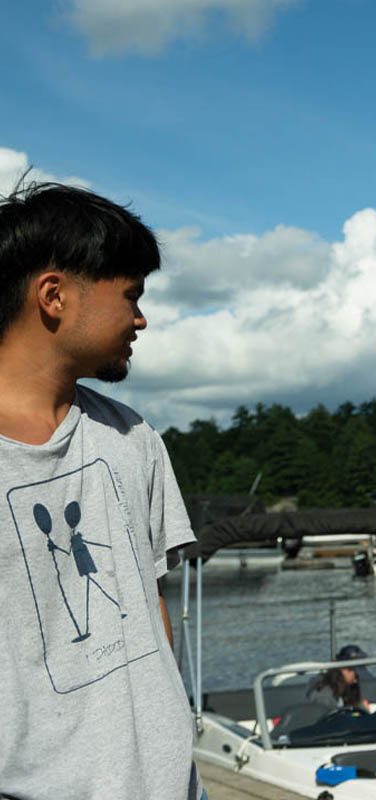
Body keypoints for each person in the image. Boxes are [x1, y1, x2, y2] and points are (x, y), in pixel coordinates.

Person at [0, 182, 204, 798]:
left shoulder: (132, 437)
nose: (140, 319)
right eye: (131, 297)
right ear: (54, 295)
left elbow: (150, 607)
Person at [308, 643, 372, 712]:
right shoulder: (323, 694)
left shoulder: (351, 688)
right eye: (356, 676)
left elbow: (362, 709)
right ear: (343, 669)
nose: (356, 681)